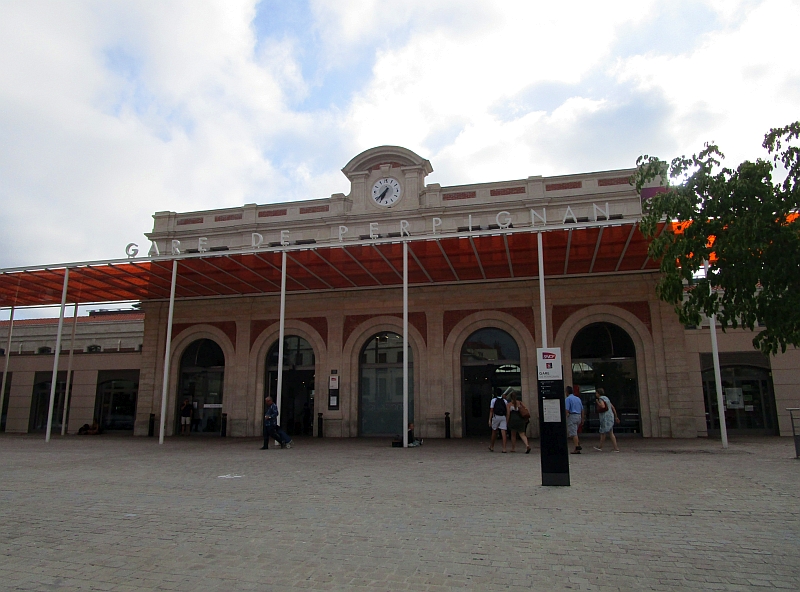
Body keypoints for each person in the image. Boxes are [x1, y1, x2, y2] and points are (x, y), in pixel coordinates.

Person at [593, 387, 620, 452]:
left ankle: (600, 446)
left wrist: (597, 402)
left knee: (603, 432)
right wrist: (616, 416)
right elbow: (612, 407)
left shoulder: (601, 399)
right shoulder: (607, 399)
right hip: (610, 416)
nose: (596, 394)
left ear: (598, 393)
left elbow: (603, 406)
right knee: (611, 433)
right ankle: (616, 447)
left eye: (596, 393)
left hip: (605, 417)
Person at [488, 388, 509, 453]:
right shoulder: (505, 401)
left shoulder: (493, 400)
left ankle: (492, 446)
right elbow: (507, 411)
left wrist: (489, 419)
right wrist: (507, 419)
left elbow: (491, 410)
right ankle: (504, 448)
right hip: (503, 417)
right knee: (503, 432)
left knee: (494, 432)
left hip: (496, 417)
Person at [565, 386, 584, 454]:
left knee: (573, 433)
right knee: (575, 431)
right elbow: (582, 409)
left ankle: (577, 447)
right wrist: (582, 418)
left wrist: (566, 415)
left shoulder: (568, 399)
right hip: (578, 415)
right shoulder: (578, 398)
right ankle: (577, 445)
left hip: (572, 415)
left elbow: (567, 409)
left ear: (567, 392)